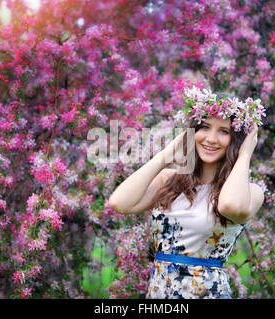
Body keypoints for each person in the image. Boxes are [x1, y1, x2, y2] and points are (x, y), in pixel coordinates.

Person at [109, 87, 266, 299]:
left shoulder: (250, 193)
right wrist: (166, 154)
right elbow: (120, 202)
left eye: (224, 131)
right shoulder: (169, 181)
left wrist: (245, 153)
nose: (211, 139)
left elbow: (229, 206)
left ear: (236, 140)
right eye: (205, 127)